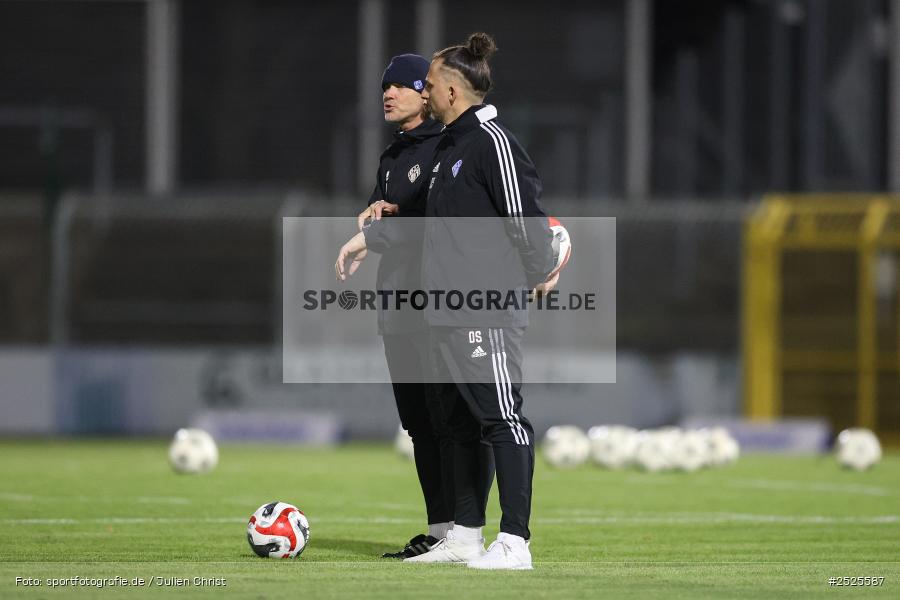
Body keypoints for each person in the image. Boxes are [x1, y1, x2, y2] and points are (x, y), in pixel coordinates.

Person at [336, 33, 557, 570]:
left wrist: (540, 272)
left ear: (453, 91)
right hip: (444, 311)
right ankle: (462, 536)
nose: (424, 91)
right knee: (456, 423)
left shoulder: (492, 141)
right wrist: (382, 226)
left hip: (485, 308)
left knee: (502, 418)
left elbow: (526, 221)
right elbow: (434, 227)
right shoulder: (450, 150)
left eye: (429, 84)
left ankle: (515, 543)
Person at [353, 54, 455, 559]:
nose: (388, 94)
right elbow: (375, 226)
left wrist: (389, 223)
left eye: (399, 86)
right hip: (396, 305)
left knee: (447, 419)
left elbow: (432, 223)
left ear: (424, 93)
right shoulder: (393, 156)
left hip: (437, 304)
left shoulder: (444, 148)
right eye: (383, 88)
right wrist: (374, 227)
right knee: (417, 423)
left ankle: (463, 530)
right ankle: (438, 529)